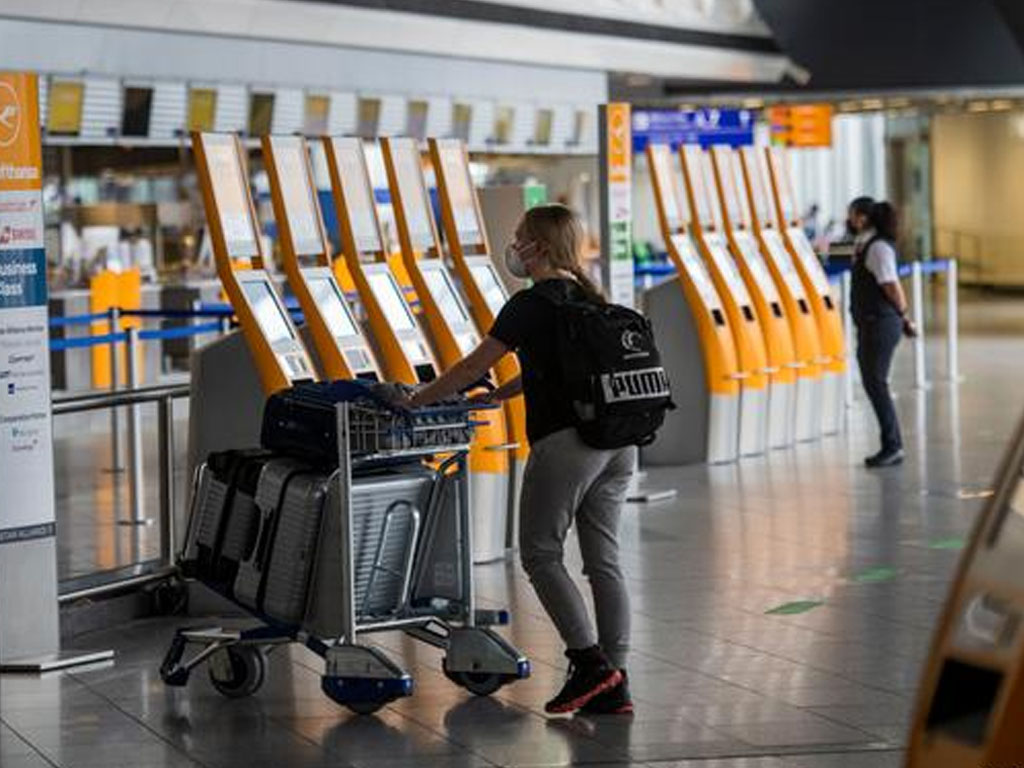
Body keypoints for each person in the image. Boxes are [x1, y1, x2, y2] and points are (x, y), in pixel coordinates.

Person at [405, 204, 635, 715]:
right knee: (604, 561)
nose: (513, 245)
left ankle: (590, 664)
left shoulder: (531, 304)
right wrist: (504, 396)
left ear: (540, 248)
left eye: (519, 237)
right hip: (619, 442)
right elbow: (555, 368)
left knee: (540, 554)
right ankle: (617, 682)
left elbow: (471, 366)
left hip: (568, 444)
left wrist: (418, 398)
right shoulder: (588, 296)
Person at [850, 200, 917, 468]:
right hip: (873, 322)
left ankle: (893, 445)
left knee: (876, 382)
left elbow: (891, 285)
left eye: (853, 215)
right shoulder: (867, 244)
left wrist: (904, 315)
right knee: (873, 381)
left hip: (880, 322)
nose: (850, 220)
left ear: (864, 218)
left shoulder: (878, 248)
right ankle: (891, 444)